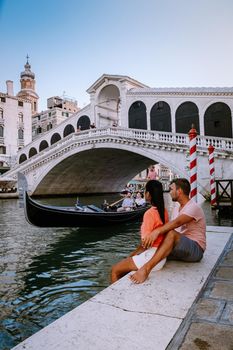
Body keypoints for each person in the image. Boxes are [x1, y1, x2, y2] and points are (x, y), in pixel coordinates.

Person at [130, 178, 206, 284]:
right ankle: (134, 256)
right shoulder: (177, 207)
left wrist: (156, 232)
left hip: (196, 250)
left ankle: (146, 269)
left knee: (169, 233)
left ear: (179, 191)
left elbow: (176, 224)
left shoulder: (193, 207)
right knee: (157, 241)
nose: (169, 192)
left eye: (171, 189)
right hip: (180, 248)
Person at [111, 180, 169, 283]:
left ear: (148, 194)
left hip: (151, 256)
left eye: (145, 191)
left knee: (115, 270)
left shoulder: (149, 213)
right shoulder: (164, 211)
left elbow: (145, 243)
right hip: (161, 257)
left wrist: (132, 254)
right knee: (125, 266)